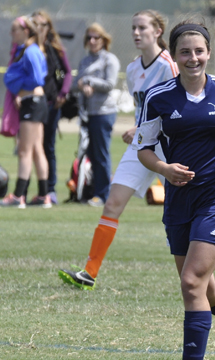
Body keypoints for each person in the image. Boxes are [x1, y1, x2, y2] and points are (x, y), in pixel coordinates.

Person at [134, 18, 215, 360]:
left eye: (200, 51)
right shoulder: (157, 97)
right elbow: (143, 149)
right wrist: (163, 168)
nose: (193, 58)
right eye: (185, 52)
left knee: (191, 283)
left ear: (209, 53)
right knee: (202, 286)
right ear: (173, 56)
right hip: (178, 202)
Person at [58, 10, 178, 290]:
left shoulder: (168, 65)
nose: (136, 33)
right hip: (141, 146)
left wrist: (142, 128)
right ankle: (89, 272)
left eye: (142, 28)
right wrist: (139, 130)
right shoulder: (135, 67)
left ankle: (196, 276)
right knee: (112, 204)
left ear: (158, 31)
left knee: (178, 214)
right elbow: (142, 110)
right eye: (134, 28)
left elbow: (175, 110)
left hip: (169, 146)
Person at [1, 16, 49, 208]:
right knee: (37, 150)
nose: (12, 33)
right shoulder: (26, 50)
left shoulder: (30, 51)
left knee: (24, 150)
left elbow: (38, 79)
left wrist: (19, 86)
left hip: (33, 102)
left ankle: (18, 195)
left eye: (15, 29)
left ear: (26, 31)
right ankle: (43, 195)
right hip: (34, 102)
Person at [74, 23, 120, 206]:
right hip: (87, 113)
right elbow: (77, 82)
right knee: (91, 153)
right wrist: (80, 84)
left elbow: (110, 84)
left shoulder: (110, 59)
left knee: (101, 154)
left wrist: (88, 81)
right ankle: (93, 190)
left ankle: (103, 195)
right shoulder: (85, 61)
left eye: (96, 37)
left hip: (103, 112)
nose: (92, 41)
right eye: (89, 38)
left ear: (103, 39)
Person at [32, 10, 73, 205]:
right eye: (35, 24)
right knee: (31, 148)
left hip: (50, 104)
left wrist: (63, 93)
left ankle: (50, 189)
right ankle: (35, 189)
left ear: (48, 27)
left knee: (47, 147)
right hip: (30, 104)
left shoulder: (55, 48)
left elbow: (67, 72)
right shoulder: (28, 47)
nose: (38, 28)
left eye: (42, 24)